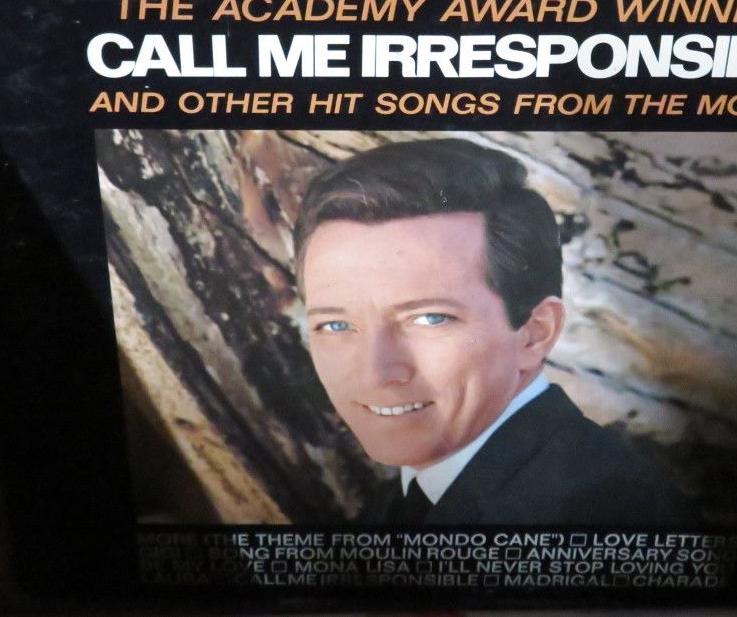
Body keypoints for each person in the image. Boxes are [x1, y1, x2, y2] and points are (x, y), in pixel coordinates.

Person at [294, 137, 691, 526]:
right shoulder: (405, 503)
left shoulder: (602, 515)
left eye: (430, 319)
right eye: (335, 325)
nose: (376, 372)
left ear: (535, 333)